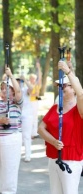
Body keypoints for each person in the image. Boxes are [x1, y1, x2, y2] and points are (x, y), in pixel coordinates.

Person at [38, 60, 83, 194]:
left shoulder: (78, 110)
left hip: (71, 159)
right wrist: (52, 141)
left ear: (73, 89)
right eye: (59, 86)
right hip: (53, 158)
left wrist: (69, 72)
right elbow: (40, 128)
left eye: (64, 86)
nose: (60, 88)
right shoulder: (56, 108)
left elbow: (81, 94)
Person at [0, 67, 23, 194]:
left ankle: (8, 191)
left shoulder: (17, 103)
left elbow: (19, 91)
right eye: (2, 89)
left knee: (9, 166)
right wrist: (1, 120)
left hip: (11, 137)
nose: (3, 91)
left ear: (13, 91)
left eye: (6, 89)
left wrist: (11, 75)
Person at [17, 75, 34, 162]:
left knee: (26, 136)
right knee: (18, 135)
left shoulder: (25, 91)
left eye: (20, 81)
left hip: (27, 116)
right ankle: (17, 154)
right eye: (18, 81)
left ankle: (28, 155)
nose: (19, 82)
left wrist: (25, 80)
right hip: (17, 116)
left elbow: (31, 89)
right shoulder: (15, 92)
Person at [29, 59, 42, 138]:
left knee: (35, 117)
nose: (33, 80)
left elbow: (40, 77)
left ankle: (34, 132)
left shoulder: (37, 85)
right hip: (29, 102)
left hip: (34, 102)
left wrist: (38, 67)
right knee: (30, 117)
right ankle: (30, 132)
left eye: (34, 78)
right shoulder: (28, 86)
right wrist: (33, 94)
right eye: (31, 78)